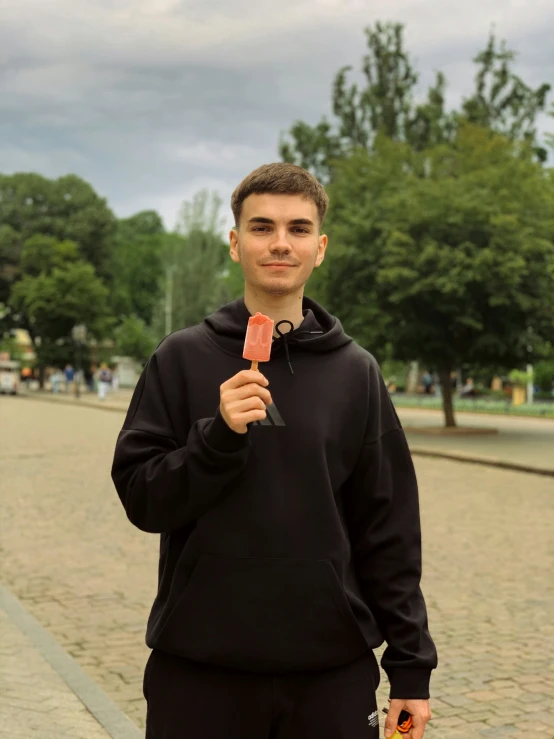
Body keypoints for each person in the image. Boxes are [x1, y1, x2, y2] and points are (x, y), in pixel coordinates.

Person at [112, 163, 437, 739]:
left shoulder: (356, 372)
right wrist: (216, 440)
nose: (281, 243)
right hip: (199, 669)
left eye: (298, 229)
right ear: (236, 245)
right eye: (261, 228)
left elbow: (387, 528)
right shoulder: (181, 358)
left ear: (321, 247)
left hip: (330, 674)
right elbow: (143, 500)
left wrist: (411, 670)